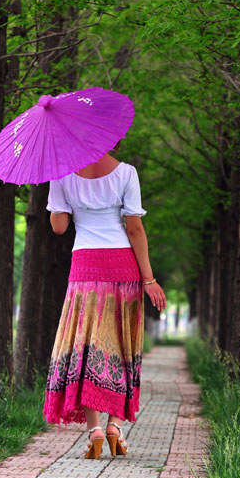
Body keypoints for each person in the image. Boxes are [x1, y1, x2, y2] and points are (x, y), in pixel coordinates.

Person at [43, 148, 166, 458]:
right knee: (121, 345)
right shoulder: (126, 172)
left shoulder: (61, 173)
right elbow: (135, 228)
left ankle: (95, 430)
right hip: (123, 266)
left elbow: (59, 227)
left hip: (85, 265)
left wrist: (58, 194)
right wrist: (148, 279)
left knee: (86, 347)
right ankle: (114, 425)